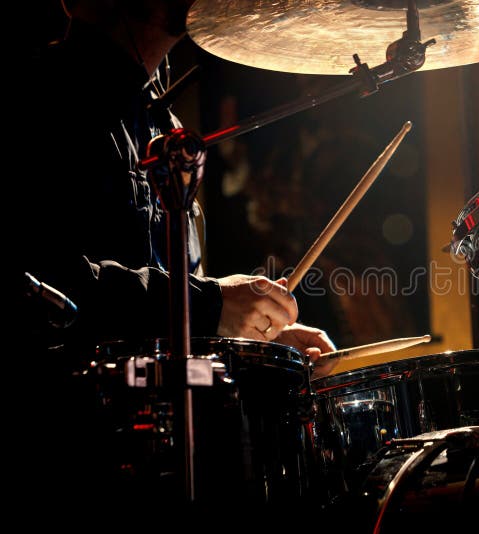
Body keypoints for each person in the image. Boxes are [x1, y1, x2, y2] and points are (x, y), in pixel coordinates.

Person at [13, 0, 335, 505]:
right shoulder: (40, 94)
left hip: (170, 459)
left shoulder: (162, 123)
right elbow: (43, 285)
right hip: (69, 453)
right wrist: (208, 303)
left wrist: (257, 348)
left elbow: (176, 331)